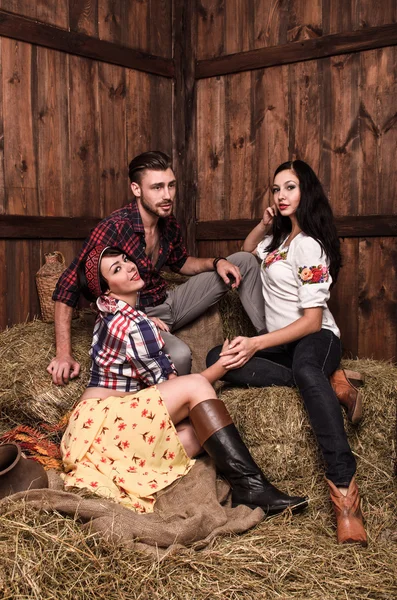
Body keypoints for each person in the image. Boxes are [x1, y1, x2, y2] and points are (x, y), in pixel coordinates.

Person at [60, 245, 308, 515]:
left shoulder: (114, 312)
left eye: (126, 260)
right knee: (197, 388)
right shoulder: (135, 325)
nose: (130, 267)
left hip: (90, 428)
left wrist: (146, 319)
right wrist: (222, 365)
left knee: (198, 434)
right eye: (116, 269)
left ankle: (246, 486)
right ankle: (251, 487)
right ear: (107, 290)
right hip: (105, 423)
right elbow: (180, 388)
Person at [206, 160, 367, 546]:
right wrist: (264, 223)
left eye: (290, 187)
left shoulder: (309, 244)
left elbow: (312, 322)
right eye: (276, 189)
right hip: (282, 343)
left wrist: (257, 342)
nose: (281, 196)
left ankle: (345, 493)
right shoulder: (276, 243)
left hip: (316, 338)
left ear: (305, 191)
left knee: (308, 369)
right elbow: (247, 253)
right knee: (217, 358)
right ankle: (334, 382)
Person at [48, 151, 267, 385]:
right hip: (138, 314)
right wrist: (63, 354)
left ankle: (268, 340)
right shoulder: (114, 228)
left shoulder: (168, 222)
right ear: (136, 189)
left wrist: (217, 262)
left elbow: (182, 262)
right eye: (157, 187)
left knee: (243, 259)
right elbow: (66, 288)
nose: (167, 195)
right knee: (180, 355)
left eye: (171, 186)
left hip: (170, 301)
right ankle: (181, 404)